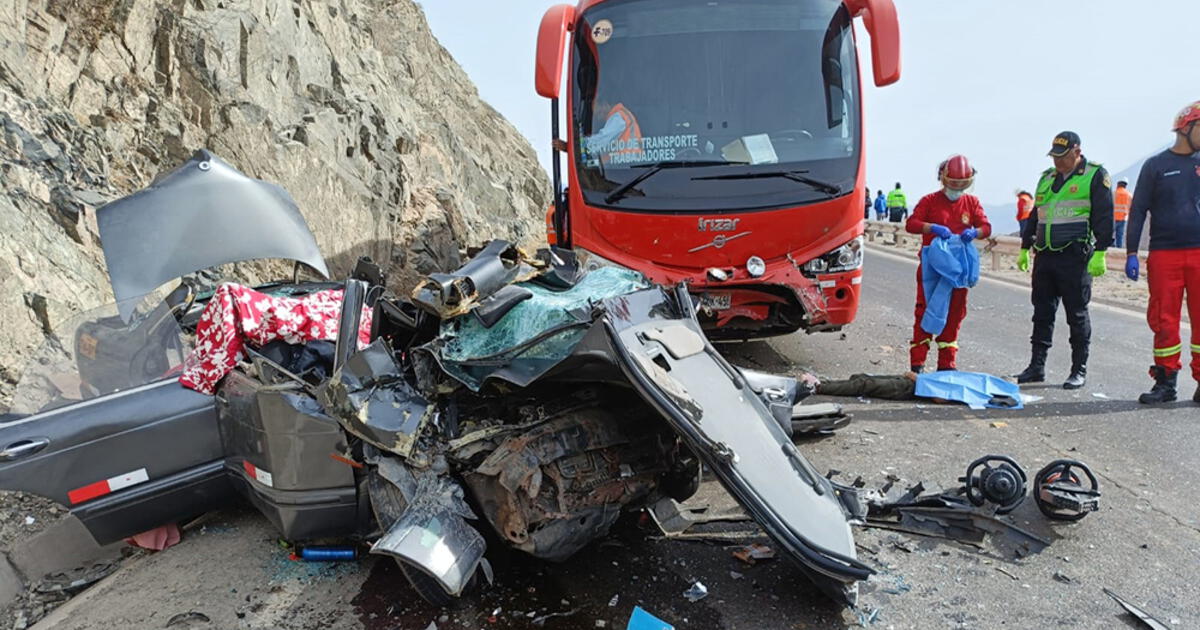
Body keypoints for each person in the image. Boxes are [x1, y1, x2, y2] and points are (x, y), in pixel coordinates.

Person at [1015, 132, 1114, 389]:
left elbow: (1104, 214)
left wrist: (1101, 250)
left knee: (1077, 315)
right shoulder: (1046, 179)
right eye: (1054, 157)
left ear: (1076, 152)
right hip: (1045, 255)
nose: (1058, 162)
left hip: (1074, 256)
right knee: (1042, 313)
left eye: (1062, 157)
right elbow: (1036, 215)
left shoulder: (1094, 175)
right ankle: (1037, 366)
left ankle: (1078, 369)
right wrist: (1025, 247)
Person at [1124, 100, 1200, 404]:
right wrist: (1131, 251)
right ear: (1186, 128)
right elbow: (1138, 208)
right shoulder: (1156, 165)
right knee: (1164, 319)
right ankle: (1166, 382)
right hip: (1164, 254)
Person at [905, 155, 991, 372]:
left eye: (963, 184)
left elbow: (986, 228)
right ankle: (918, 364)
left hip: (958, 269)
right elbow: (911, 224)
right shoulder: (929, 201)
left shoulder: (971, 203)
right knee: (925, 311)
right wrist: (932, 228)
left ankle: (946, 365)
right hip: (931, 268)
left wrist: (975, 232)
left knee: (954, 314)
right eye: (954, 184)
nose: (957, 188)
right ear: (943, 179)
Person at [1112, 180, 1132, 248]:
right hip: (1123, 218)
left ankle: (1111, 247)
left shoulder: (1113, 193)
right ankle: (1119, 248)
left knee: (1111, 234)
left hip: (1113, 217)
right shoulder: (1129, 195)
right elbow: (1131, 207)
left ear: (1118, 185)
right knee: (1120, 235)